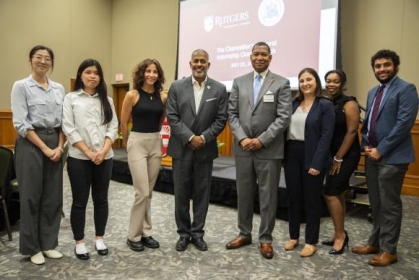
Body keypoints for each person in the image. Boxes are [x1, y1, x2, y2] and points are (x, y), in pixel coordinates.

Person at [352, 50, 418, 266]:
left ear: (396, 66)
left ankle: (389, 250)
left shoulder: (406, 89)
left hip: (393, 157)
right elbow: (369, 121)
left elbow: (404, 124)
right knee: (376, 203)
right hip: (372, 155)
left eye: (386, 65)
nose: (382, 69)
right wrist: (367, 145)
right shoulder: (373, 91)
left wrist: (381, 148)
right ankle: (375, 243)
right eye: (378, 66)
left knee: (389, 205)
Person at [226, 42, 292, 259]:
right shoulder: (239, 82)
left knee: (268, 196)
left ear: (270, 57)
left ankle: (266, 239)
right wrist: (244, 138)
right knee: (243, 194)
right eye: (256, 54)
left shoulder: (281, 83)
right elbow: (232, 114)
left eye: (264, 54)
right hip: (243, 148)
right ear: (251, 57)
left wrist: (261, 140)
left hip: (269, 149)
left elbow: (283, 117)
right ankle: (244, 233)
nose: (260, 58)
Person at [166, 49, 228, 252]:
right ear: (190, 63)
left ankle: (198, 233)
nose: (199, 64)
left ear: (208, 65)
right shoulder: (176, 86)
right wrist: (190, 138)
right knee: (181, 194)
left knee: (202, 194)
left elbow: (221, 119)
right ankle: (183, 234)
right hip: (182, 149)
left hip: (205, 149)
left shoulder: (218, 89)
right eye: (196, 61)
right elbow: (172, 117)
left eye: (203, 61)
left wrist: (204, 138)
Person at [11, 45, 66, 265]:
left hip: (56, 142)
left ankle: (48, 244)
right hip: (31, 143)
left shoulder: (59, 89)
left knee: (53, 197)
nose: (43, 61)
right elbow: (21, 123)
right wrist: (44, 148)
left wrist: (60, 147)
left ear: (52, 62)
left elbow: (65, 122)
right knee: (31, 196)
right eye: (39, 57)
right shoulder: (21, 86)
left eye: (48, 58)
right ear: (30, 60)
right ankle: (32, 247)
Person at [62, 59, 118, 260]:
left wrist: (103, 151)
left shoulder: (108, 100)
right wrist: (88, 152)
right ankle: (79, 242)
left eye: (96, 73)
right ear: (80, 75)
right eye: (88, 72)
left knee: (101, 200)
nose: (92, 76)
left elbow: (113, 127)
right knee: (80, 201)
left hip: (105, 157)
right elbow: (68, 127)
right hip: (78, 158)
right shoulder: (71, 98)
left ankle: (100, 238)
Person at [283, 68, 335, 257]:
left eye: (309, 79)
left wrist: (317, 163)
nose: (305, 83)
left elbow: (326, 136)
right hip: (292, 153)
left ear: (316, 82)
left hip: (313, 154)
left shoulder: (325, 105)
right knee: (293, 197)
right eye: (302, 80)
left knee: (312, 200)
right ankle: (294, 237)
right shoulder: (293, 103)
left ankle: (311, 241)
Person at [121, 59, 167, 251]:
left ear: (158, 75)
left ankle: (146, 232)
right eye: (148, 71)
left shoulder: (162, 97)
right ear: (142, 73)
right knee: (141, 192)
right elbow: (123, 123)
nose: (151, 75)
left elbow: (161, 121)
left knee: (148, 193)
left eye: (154, 72)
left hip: (155, 142)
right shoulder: (132, 95)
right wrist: (128, 144)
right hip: (137, 143)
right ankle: (133, 235)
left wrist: (154, 139)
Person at [322, 70, 360, 254]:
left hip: (346, 155)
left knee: (331, 193)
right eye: (328, 81)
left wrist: (338, 158)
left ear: (342, 83)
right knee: (339, 193)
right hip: (333, 155)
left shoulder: (350, 103)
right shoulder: (328, 103)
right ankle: (340, 232)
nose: (331, 84)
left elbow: (352, 132)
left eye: (336, 82)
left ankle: (340, 237)